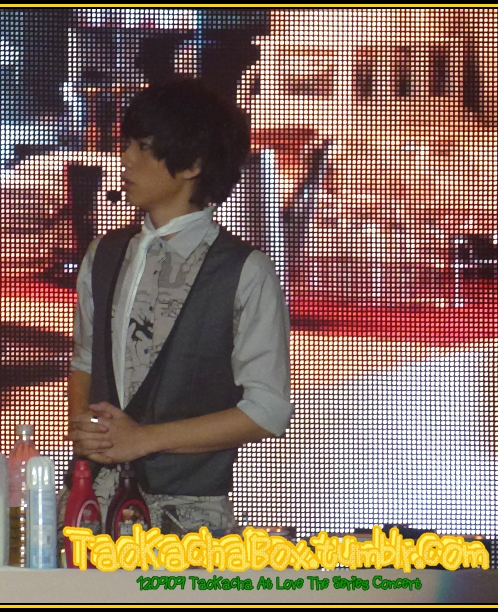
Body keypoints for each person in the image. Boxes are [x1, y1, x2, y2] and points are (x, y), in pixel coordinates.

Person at [63, 77, 294, 536]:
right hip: (91, 512)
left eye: (144, 147)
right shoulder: (103, 255)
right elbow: (85, 360)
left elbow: (268, 410)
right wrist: (85, 428)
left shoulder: (245, 271)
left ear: (192, 164)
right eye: (127, 144)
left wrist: (144, 439)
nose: (126, 158)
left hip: (189, 525)